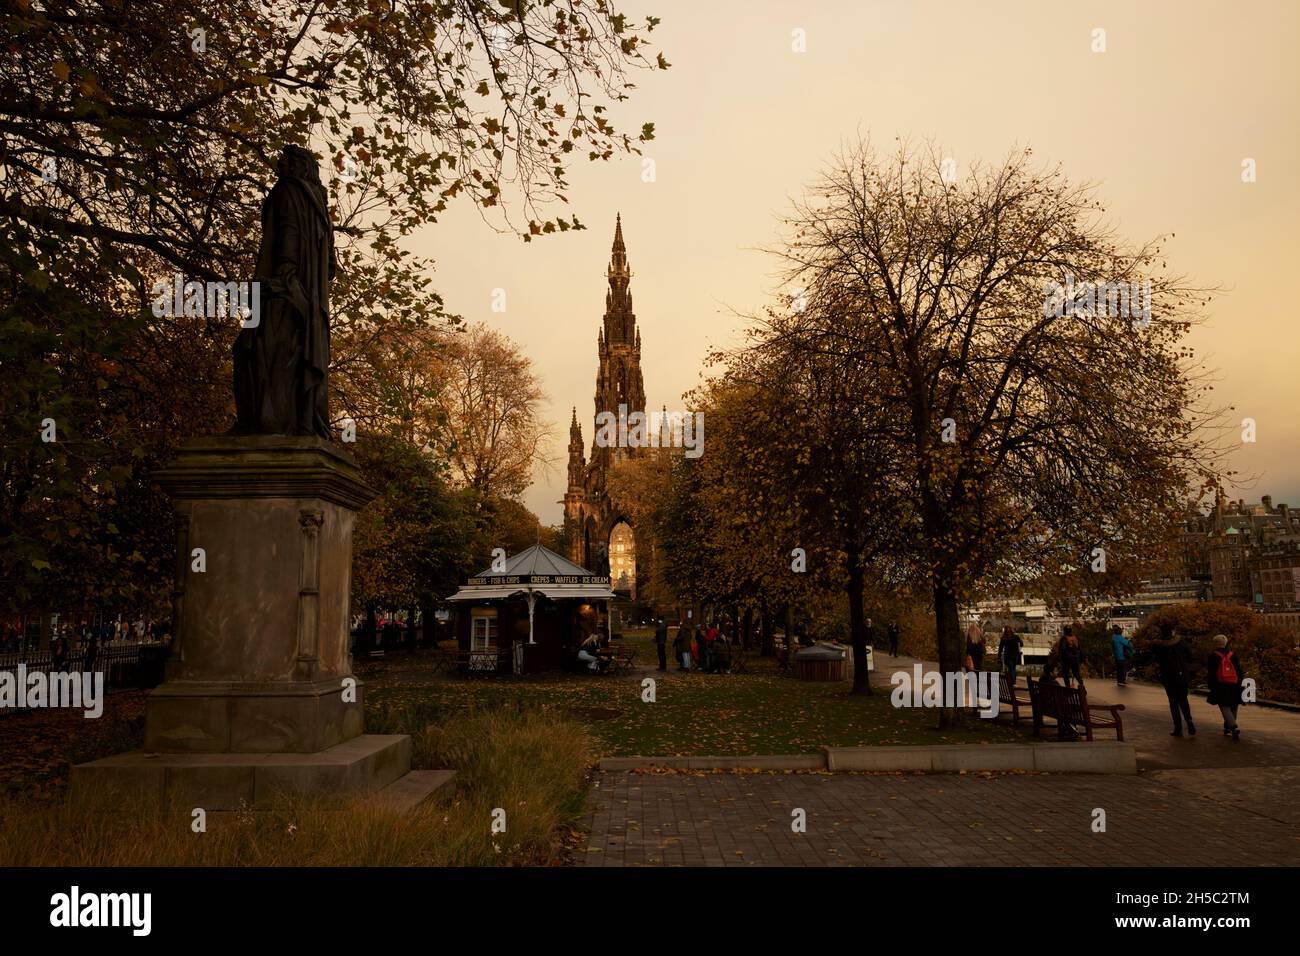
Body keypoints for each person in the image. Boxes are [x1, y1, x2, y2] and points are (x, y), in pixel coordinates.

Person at [1151, 622, 1196, 737]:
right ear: (1172, 631)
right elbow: (1190, 656)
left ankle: (1178, 728)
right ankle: (1189, 720)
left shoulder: (1158, 645)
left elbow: (1155, 660)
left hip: (1168, 676)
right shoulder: (1181, 641)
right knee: (1183, 699)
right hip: (1182, 674)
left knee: (1173, 702)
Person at [1206, 634, 1244, 740]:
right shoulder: (1232, 655)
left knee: (1224, 706)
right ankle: (1228, 729)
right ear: (1226, 643)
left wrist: (1211, 685)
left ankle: (1233, 726)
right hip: (1235, 683)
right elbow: (1239, 671)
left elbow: (1211, 673)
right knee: (1233, 705)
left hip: (1221, 685)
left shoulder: (1213, 656)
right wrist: (1240, 683)